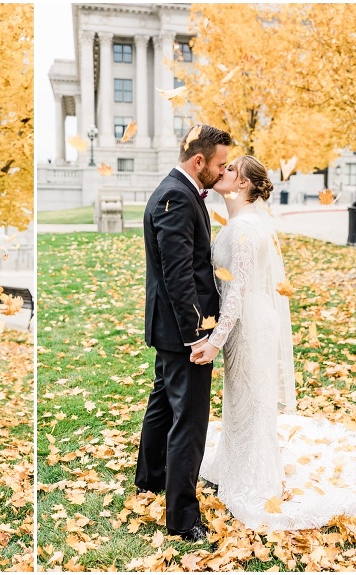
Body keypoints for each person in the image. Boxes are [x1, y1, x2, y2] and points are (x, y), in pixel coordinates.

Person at [192, 155, 356, 531]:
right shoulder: (238, 222)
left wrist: (215, 341)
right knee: (240, 400)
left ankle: (256, 480)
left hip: (250, 324)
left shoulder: (245, 230)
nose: (223, 172)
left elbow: (236, 293)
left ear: (244, 185)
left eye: (231, 170)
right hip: (243, 322)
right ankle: (236, 465)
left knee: (252, 401)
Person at [135, 124, 232, 543]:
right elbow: (178, 277)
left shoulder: (176, 191)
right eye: (220, 165)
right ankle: (182, 517)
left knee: (162, 404)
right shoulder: (176, 198)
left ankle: (151, 477)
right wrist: (198, 337)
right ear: (199, 162)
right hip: (183, 332)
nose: (223, 171)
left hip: (168, 328)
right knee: (189, 422)